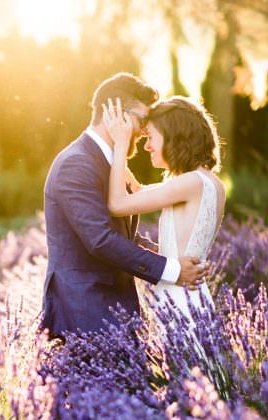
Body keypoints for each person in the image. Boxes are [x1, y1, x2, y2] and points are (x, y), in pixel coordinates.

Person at [39, 73, 206, 339]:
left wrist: (167, 253)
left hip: (113, 305)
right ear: (113, 112)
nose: (144, 131)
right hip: (84, 308)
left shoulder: (111, 163)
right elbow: (101, 239)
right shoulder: (77, 164)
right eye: (142, 120)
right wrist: (171, 270)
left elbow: (121, 232)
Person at [101, 95, 226, 333]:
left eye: (151, 138)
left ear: (173, 137)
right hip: (191, 296)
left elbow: (117, 204)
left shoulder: (189, 183)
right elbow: (137, 190)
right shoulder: (208, 182)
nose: (147, 146)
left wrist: (121, 144)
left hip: (179, 299)